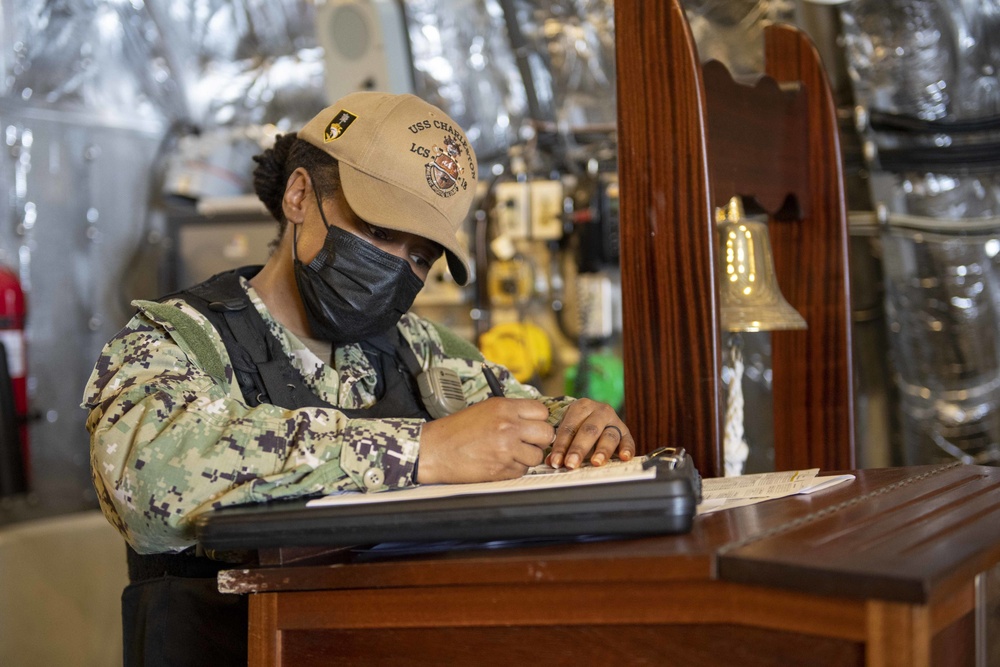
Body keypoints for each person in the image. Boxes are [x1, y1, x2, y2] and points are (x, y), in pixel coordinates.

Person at [83, 92, 634, 666]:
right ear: (300, 196)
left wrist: (578, 425)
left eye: (420, 257)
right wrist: (422, 451)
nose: (397, 265)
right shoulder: (177, 341)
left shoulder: (423, 350)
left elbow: (520, 420)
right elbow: (148, 487)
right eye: (377, 231)